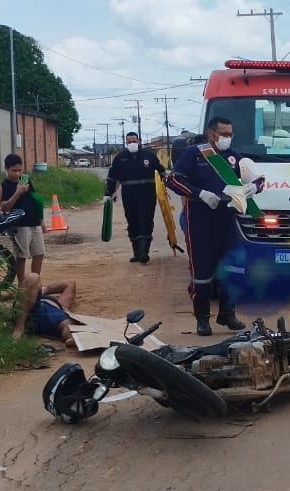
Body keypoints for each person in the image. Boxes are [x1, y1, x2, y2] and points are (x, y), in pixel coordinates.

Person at [166, 117, 258, 336]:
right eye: (223, 134)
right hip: (200, 221)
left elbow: (257, 178)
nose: (227, 138)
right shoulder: (194, 154)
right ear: (211, 134)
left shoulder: (234, 157)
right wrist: (200, 193)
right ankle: (202, 319)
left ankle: (227, 314)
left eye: (230, 134)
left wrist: (252, 188)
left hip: (227, 221)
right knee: (202, 275)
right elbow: (173, 180)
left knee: (236, 270)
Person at [106, 131, 169, 263]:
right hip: (129, 195)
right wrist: (109, 193)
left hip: (147, 194)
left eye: (134, 141)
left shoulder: (149, 156)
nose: (132, 144)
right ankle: (137, 252)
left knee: (145, 221)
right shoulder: (120, 158)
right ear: (125, 143)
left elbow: (161, 172)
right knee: (132, 222)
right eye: (129, 142)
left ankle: (144, 252)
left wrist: (164, 187)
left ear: (139, 142)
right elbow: (112, 177)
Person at [0, 154, 45, 282]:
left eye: (20, 170)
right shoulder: (4, 185)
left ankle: (34, 283)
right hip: (19, 226)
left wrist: (41, 221)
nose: (17, 174)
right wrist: (18, 192)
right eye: (14, 171)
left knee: (39, 253)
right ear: (6, 169)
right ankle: (21, 286)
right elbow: (4, 207)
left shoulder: (26, 180)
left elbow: (35, 199)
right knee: (21, 256)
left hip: (34, 223)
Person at [12, 273, 76, 348]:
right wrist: (44, 290)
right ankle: (19, 327)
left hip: (52, 311)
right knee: (32, 277)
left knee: (33, 277)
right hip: (34, 307)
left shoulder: (60, 308)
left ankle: (19, 327)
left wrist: (44, 290)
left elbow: (70, 283)